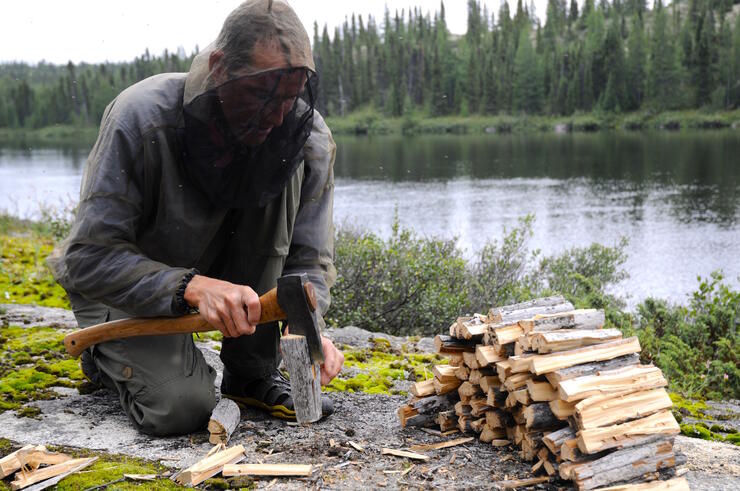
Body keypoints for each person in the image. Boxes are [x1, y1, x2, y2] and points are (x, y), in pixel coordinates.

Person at [49, 0, 344, 436]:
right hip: (124, 292)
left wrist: (307, 324)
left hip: (217, 281)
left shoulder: (303, 135)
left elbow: (308, 259)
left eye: (288, 97)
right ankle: (105, 355)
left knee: (287, 159)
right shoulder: (141, 119)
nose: (277, 114)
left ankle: (252, 372)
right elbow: (87, 258)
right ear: (220, 67)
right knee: (182, 409)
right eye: (261, 94)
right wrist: (191, 287)